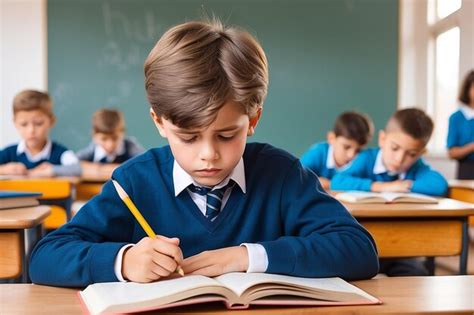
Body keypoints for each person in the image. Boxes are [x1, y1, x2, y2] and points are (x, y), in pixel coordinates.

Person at [30, 20, 378, 287]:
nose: (208, 155)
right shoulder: (134, 181)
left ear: (253, 119)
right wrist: (123, 261)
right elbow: (45, 257)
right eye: (188, 137)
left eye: (227, 135)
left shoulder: (282, 174)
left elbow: (359, 250)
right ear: (160, 122)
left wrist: (246, 256)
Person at [332, 107, 448, 276]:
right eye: (394, 148)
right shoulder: (367, 158)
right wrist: (382, 187)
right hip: (360, 242)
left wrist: (404, 186)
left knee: (416, 273)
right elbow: (338, 181)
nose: (400, 159)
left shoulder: (417, 167)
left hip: (400, 246)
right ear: (382, 139)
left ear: (421, 153)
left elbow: (439, 184)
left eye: (412, 154)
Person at [0, 90, 81, 177]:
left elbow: (78, 168)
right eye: (24, 124)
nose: (31, 130)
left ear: (51, 121)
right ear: (15, 123)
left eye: (38, 123)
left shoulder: (60, 153)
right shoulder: (9, 153)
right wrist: (3, 169)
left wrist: (53, 170)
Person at [301, 111, 373, 189]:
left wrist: (328, 184)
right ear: (331, 138)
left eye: (358, 150)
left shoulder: (365, 159)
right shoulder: (318, 153)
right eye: (346, 147)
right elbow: (298, 177)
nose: (351, 155)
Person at [76, 108, 144, 178]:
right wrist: (101, 169)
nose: (110, 145)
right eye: (104, 139)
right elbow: (68, 166)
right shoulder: (92, 149)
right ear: (94, 136)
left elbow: (146, 166)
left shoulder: (130, 146)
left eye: (115, 138)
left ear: (123, 133)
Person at [447, 70, 474, 179]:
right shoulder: (457, 118)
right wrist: (472, 147)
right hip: (467, 171)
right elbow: (452, 153)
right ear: (468, 89)